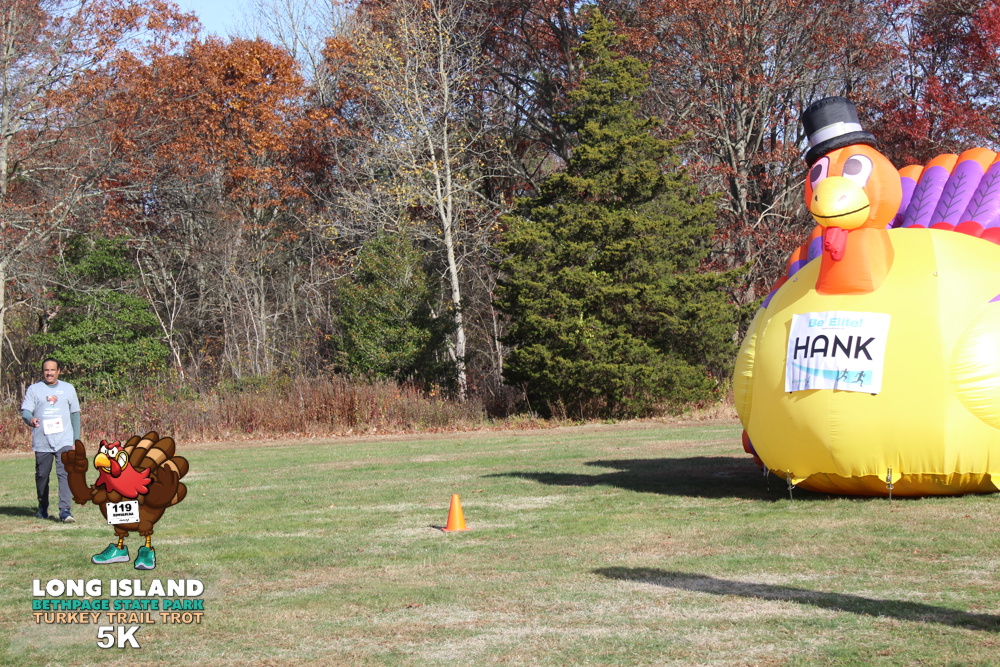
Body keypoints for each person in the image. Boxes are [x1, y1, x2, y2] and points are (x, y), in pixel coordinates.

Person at [21, 358, 81, 522]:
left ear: (58, 371)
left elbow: (75, 414)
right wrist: (30, 419)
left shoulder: (68, 388)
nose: (49, 373)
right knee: (42, 476)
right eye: (46, 370)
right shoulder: (34, 389)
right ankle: (43, 506)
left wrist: (75, 440)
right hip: (43, 441)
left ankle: (65, 510)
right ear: (43, 372)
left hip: (64, 440)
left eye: (52, 370)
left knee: (65, 474)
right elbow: (26, 411)